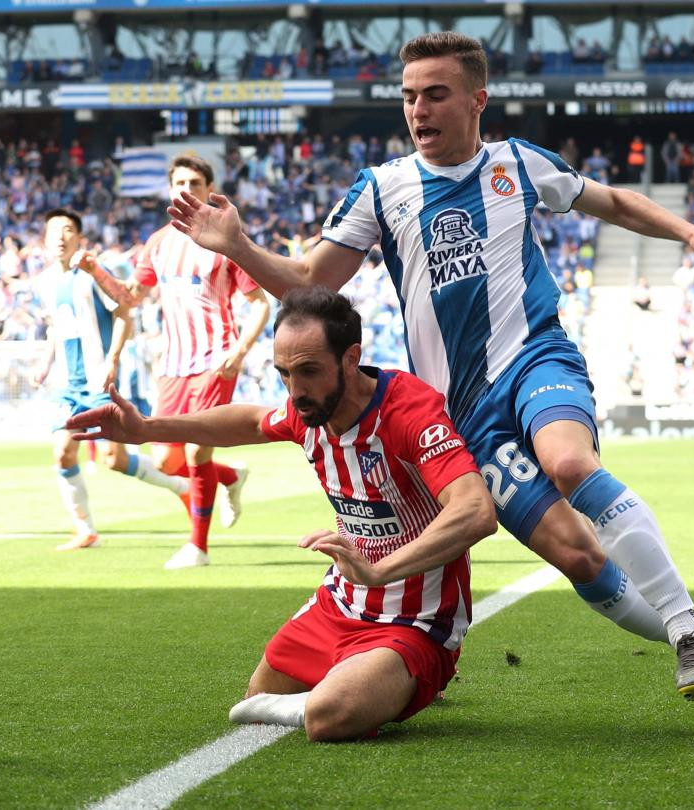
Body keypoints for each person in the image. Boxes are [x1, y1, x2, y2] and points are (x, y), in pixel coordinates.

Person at [164, 31, 694, 725]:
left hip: (535, 359)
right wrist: (237, 245)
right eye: (409, 96)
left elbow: (614, 203)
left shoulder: (518, 164)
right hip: (463, 416)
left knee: (570, 461)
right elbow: (309, 282)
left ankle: (688, 627)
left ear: (477, 100)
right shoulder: (382, 188)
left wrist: (688, 233)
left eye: (435, 94)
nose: (418, 109)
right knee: (576, 556)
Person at [68, 287, 496, 741]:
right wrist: (149, 429)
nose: (295, 391)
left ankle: (400, 677)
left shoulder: (407, 410)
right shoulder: (307, 411)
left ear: (351, 359)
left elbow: (475, 511)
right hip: (343, 603)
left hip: (418, 619)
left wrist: (379, 570)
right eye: (284, 374)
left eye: (309, 371)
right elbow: (251, 421)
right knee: (259, 694)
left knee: (330, 717)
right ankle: (367, 680)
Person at [94, 155, 271, 569]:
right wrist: (93, 270)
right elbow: (130, 296)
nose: (186, 190)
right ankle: (230, 476)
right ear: (170, 190)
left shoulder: (226, 241)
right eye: (179, 183)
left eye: (194, 183)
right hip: (172, 366)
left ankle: (198, 548)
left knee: (194, 455)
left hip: (215, 359)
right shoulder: (158, 243)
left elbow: (260, 303)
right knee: (165, 460)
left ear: (210, 190)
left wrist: (240, 350)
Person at [32, 208, 188, 551]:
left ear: (79, 238)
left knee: (114, 460)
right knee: (62, 454)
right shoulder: (42, 283)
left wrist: (113, 359)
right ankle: (86, 529)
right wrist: (44, 365)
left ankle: (183, 489)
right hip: (68, 385)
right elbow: (56, 328)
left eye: (68, 229)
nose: (60, 236)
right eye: (54, 230)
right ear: (44, 239)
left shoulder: (92, 275)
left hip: (100, 382)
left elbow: (124, 313)